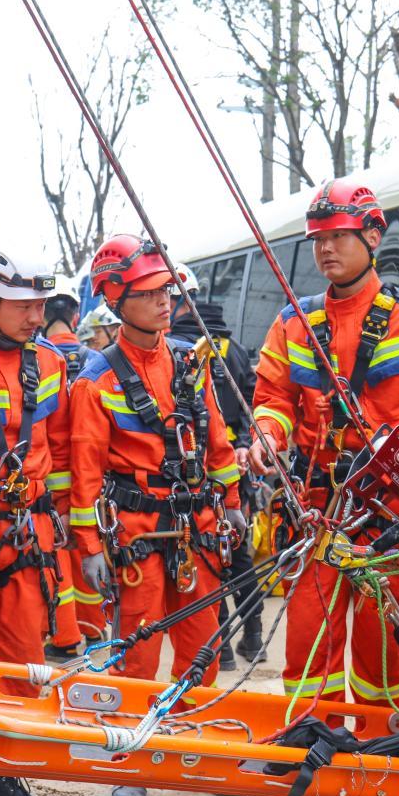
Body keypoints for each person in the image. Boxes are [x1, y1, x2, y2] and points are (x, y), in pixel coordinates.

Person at [248, 180, 399, 796]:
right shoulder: (293, 322)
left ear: (373, 236)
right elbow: (273, 398)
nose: (325, 249)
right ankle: (311, 775)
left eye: (339, 237)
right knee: (308, 651)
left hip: (390, 513)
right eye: (318, 239)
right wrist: (267, 435)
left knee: (384, 655)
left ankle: (384, 774)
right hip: (320, 510)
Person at [70, 236, 247, 796]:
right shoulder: (95, 379)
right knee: (139, 653)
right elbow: (85, 470)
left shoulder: (191, 361)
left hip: (195, 526)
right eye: (148, 293)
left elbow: (216, 439)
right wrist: (89, 547)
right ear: (115, 300)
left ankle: (201, 749)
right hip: (138, 533)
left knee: (203, 645)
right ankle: (133, 759)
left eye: (166, 290)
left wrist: (232, 499)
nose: (164, 301)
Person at [0, 248, 77, 796]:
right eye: (23, 307)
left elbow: (60, 447)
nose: (36, 317)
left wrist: (64, 518)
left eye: (41, 306)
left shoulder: (50, 363)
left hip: (27, 529)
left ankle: (3, 778)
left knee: (22, 657)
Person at [167, 261, 263, 669]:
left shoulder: (173, 350)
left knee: (207, 557)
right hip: (233, 473)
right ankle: (254, 637)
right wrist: (242, 445)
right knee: (237, 555)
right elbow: (250, 405)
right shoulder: (233, 348)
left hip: (189, 474)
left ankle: (219, 647)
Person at [42, 274, 108, 642]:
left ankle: (65, 638)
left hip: (45, 478)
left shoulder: (35, 358)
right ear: (75, 314)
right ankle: (95, 629)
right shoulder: (95, 361)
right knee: (89, 549)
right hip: (89, 477)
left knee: (57, 559)